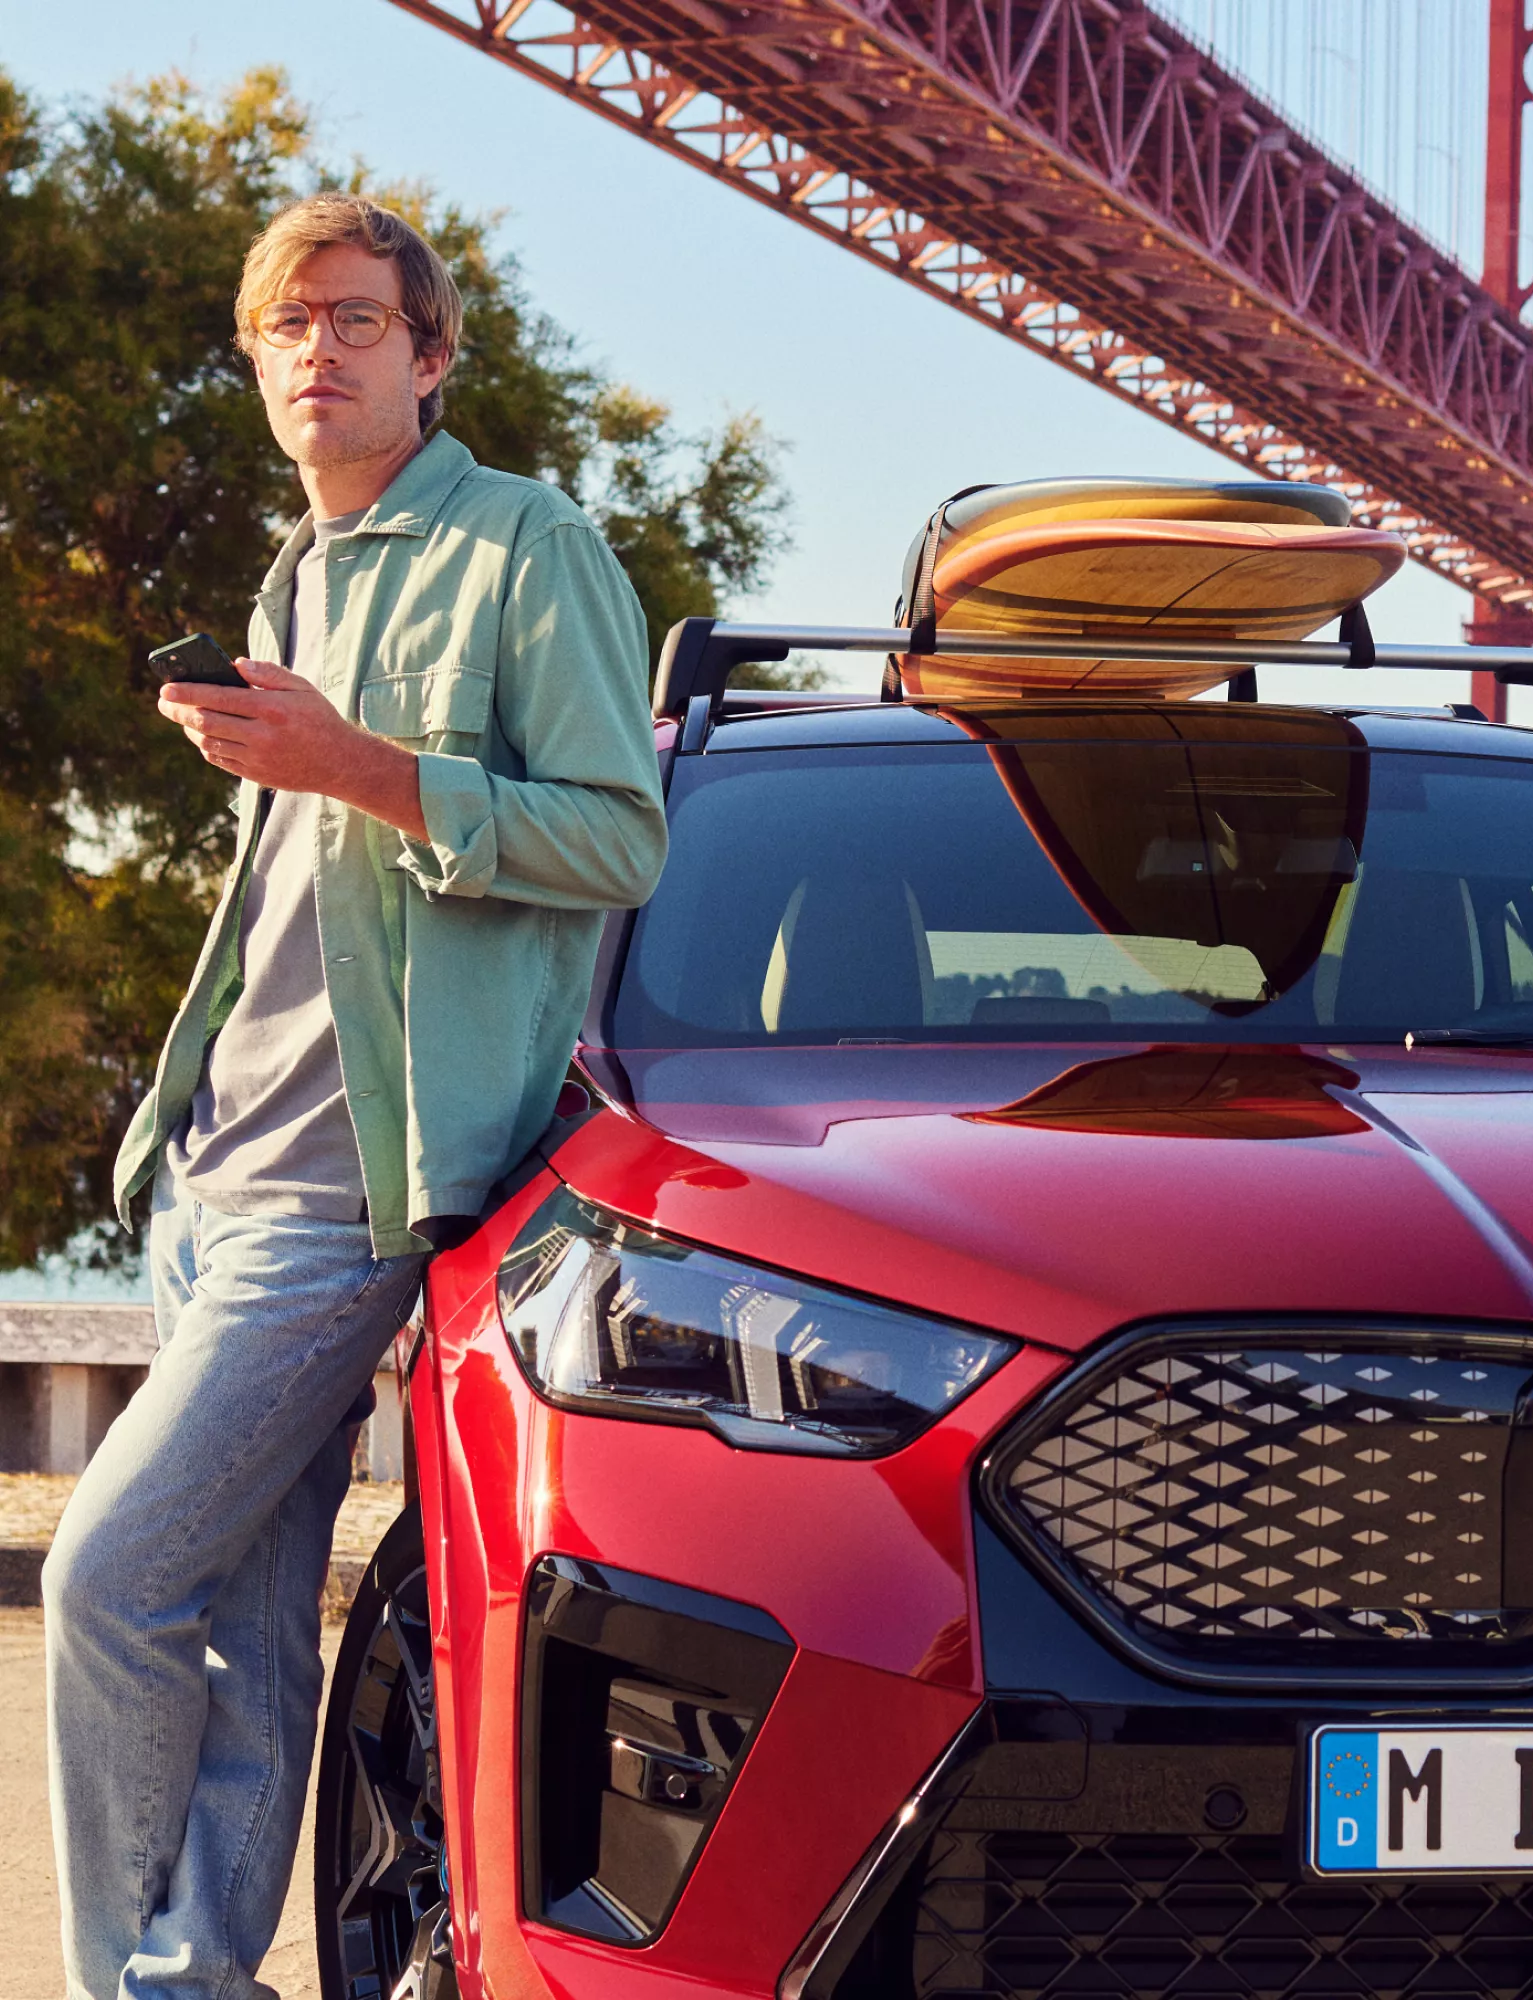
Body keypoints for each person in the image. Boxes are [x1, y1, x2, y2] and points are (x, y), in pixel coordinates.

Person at [42, 192, 668, 2000]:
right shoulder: (295, 574)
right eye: (284, 328)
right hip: (214, 1166)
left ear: (431, 352)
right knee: (236, 1630)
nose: (317, 350)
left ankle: (127, 1987)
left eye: (355, 321)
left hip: (345, 1189)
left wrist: (365, 765)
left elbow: (621, 838)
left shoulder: (527, 546)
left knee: (104, 1580)